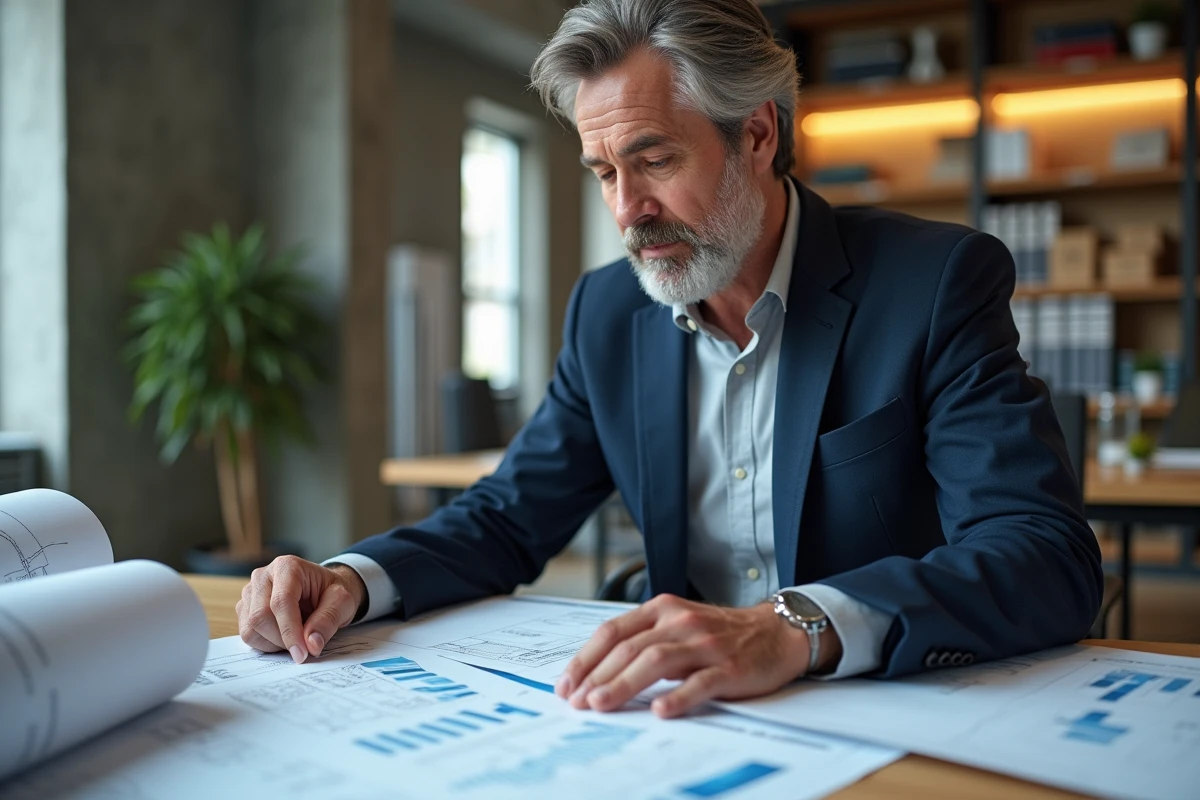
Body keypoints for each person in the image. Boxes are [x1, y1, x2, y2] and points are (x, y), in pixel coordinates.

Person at [236, 0, 1102, 719]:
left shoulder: (932, 282)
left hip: (884, 703)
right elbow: (507, 517)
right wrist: (351, 577)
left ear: (757, 134)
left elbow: (1044, 554)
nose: (628, 210)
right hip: (680, 718)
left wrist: (793, 625)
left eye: (654, 158)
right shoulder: (608, 312)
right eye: (604, 171)